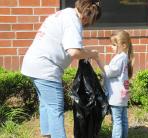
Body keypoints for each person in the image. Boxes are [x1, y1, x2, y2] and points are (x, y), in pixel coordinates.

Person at [21, 0, 101, 138]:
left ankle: (47, 135)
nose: (88, 24)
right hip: (45, 68)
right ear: (86, 15)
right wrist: (92, 54)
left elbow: (69, 45)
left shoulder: (65, 13)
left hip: (33, 63)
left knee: (46, 104)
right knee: (56, 108)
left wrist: (85, 51)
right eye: (91, 20)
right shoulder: (74, 22)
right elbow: (74, 52)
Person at [96, 30, 134, 138]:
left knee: (117, 120)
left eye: (114, 45)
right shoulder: (124, 57)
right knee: (123, 119)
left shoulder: (120, 58)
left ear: (124, 45)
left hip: (117, 95)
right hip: (123, 94)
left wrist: (99, 60)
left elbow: (110, 72)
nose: (111, 47)